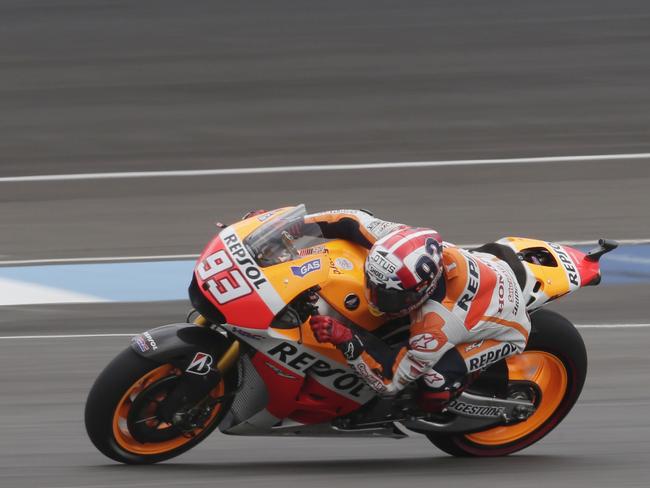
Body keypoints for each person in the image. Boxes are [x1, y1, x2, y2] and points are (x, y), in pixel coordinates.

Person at [304, 209, 531, 410]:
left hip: (506, 330)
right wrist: (293, 225)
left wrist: (346, 337)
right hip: (489, 272)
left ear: (423, 289)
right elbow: (349, 220)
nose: (375, 299)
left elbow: (389, 382)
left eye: (389, 298)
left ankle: (449, 395)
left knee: (434, 384)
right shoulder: (397, 243)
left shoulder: (436, 326)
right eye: (373, 286)